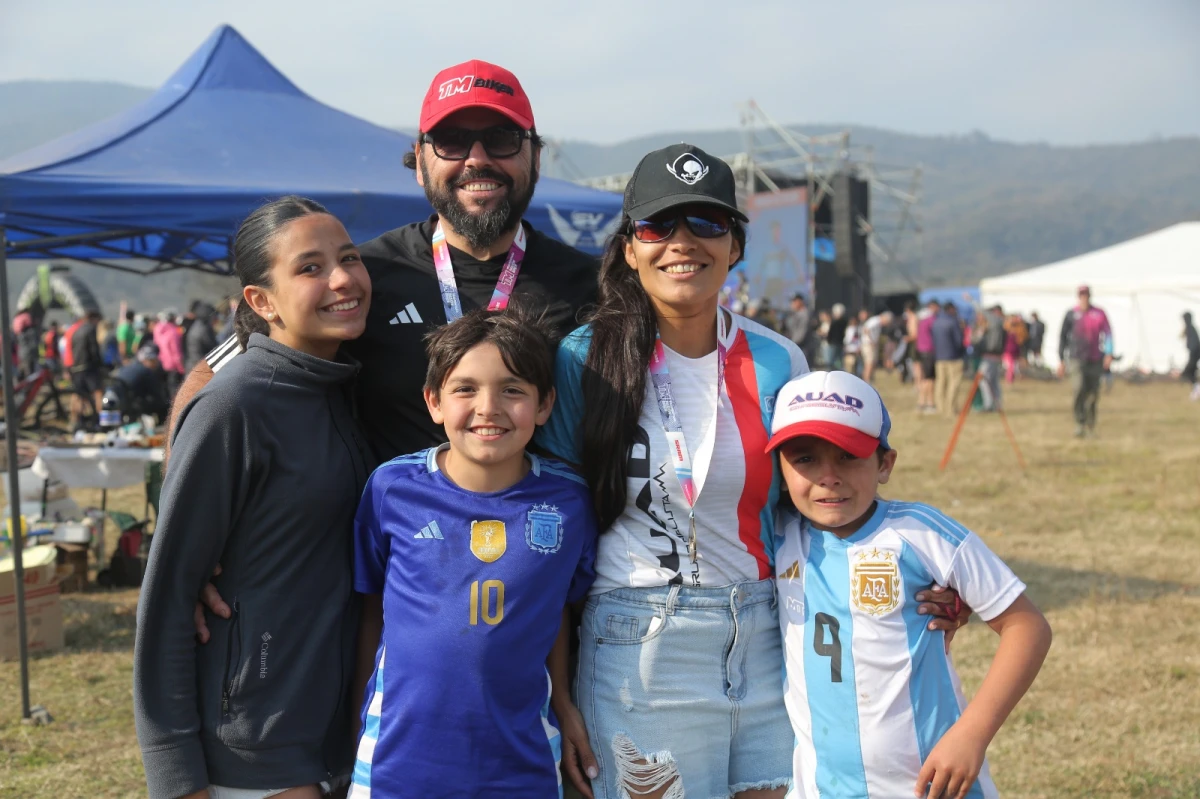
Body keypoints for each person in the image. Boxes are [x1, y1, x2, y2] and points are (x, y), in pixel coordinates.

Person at [536, 144, 964, 799]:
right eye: (659, 226)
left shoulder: (777, 360)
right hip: (638, 644)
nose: (683, 243)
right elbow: (557, 529)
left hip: (770, 637)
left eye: (707, 224)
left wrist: (909, 575)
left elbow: (822, 499)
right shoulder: (584, 359)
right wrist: (558, 689)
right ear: (629, 248)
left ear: (734, 245)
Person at [175, 59, 597, 467]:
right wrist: (190, 488)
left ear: (536, 158)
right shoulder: (359, 278)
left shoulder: (590, 285)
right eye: (451, 140)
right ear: (419, 160)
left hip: (542, 534)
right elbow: (214, 376)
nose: (477, 158)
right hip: (389, 535)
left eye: (502, 138)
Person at [134, 196, 373, 799]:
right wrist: (176, 775)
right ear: (260, 302)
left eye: (348, 258)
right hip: (252, 751)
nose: (342, 278)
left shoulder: (340, 386)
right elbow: (168, 598)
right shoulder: (234, 407)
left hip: (333, 735)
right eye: (310, 267)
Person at [767, 370, 1052, 799]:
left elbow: (1027, 627)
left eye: (847, 455)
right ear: (780, 469)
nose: (829, 476)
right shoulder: (772, 536)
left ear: (885, 464)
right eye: (805, 458)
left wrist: (971, 735)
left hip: (932, 786)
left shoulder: (923, 533)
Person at [349, 305, 597, 798]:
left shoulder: (569, 503)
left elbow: (556, 609)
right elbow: (372, 611)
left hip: (521, 761)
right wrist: (357, 722)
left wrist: (563, 698)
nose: (488, 407)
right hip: (398, 763)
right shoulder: (392, 488)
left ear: (545, 405)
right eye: (465, 388)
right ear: (434, 402)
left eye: (513, 389)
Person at [1057, 285, 1112, 437]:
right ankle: (1079, 422)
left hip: (1095, 358)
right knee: (1078, 388)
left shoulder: (1099, 314)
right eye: (1082, 295)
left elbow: (1108, 333)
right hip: (1076, 358)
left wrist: (1109, 353)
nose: (1084, 298)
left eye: (1086, 295)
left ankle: (1091, 425)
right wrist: (1061, 359)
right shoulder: (1071, 314)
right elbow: (1062, 337)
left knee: (1093, 394)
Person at [112, 344, 171, 423]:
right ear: (147, 360)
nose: (156, 364)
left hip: (117, 399)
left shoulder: (130, 366)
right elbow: (156, 394)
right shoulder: (147, 372)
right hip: (129, 403)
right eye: (154, 361)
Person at [67, 310, 104, 430]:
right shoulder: (90, 329)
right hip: (88, 367)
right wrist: (100, 364)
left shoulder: (76, 330)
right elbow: (94, 349)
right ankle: (101, 420)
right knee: (98, 392)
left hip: (76, 368)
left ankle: (76, 421)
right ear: (94, 319)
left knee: (79, 395)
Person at [932, 302, 966, 416]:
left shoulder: (936, 322)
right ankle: (950, 408)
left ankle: (940, 408)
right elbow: (959, 341)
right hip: (953, 357)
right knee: (953, 382)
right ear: (951, 309)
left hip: (939, 357)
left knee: (940, 383)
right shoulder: (953, 322)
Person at [974, 305, 1006, 412]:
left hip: (990, 357)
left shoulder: (996, 323)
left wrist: (971, 300)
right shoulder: (995, 325)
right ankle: (996, 404)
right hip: (993, 357)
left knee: (984, 380)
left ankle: (989, 405)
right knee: (993, 381)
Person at [154, 311, 185, 397]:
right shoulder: (174, 332)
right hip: (173, 365)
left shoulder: (160, 331)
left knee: (167, 388)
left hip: (163, 363)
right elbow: (176, 352)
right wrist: (181, 368)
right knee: (175, 391)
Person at [916, 299, 938, 413]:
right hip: (929, 351)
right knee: (929, 379)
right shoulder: (932, 320)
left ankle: (923, 402)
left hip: (921, 350)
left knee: (925, 378)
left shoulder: (922, 321)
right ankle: (928, 403)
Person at [860, 310, 892, 384]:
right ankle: (866, 381)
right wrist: (871, 340)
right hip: (868, 345)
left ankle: (869, 379)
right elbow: (866, 329)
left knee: (872, 363)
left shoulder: (878, 322)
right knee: (869, 363)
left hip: (871, 345)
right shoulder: (875, 321)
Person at [184, 302, 217, 374]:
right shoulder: (204, 329)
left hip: (192, 365)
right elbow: (213, 347)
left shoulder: (196, 326)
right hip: (201, 367)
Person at [1183, 311, 1200, 401]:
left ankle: (1196, 389)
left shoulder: (1190, 329)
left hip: (1194, 354)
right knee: (1191, 373)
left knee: (1187, 373)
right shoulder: (1189, 328)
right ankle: (1196, 389)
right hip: (1194, 354)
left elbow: (1194, 344)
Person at [826, 303, 847, 371]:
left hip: (833, 343)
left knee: (830, 361)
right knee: (839, 361)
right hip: (840, 343)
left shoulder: (834, 322)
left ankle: (830, 373)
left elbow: (830, 333)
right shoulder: (845, 322)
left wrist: (828, 340)